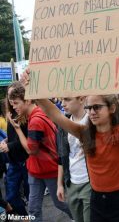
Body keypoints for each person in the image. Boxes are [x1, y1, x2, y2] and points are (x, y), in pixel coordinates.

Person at [22, 65, 119, 222]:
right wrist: (35, 91)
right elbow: (54, 114)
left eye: (97, 107)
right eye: (89, 107)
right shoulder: (84, 133)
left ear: (112, 108)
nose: (91, 112)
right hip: (97, 201)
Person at [7, 82, 73, 222]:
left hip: (48, 170)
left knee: (60, 203)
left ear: (28, 100)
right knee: (33, 208)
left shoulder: (36, 119)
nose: (14, 107)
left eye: (16, 103)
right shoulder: (39, 112)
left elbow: (31, 150)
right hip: (37, 170)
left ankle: (81, 217)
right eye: (12, 104)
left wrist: (17, 129)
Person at [56, 97, 91, 222]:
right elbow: (61, 156)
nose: (63, 104)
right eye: (61, 100)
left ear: (81, 99)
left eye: (67, 99)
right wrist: (60, 185)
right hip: (71, 182)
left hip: (90, 182)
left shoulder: (92, 120)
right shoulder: (63, 126)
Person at [0, 82, 29, 216]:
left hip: (26, 160)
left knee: (32, 196)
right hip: (14, 161)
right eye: (9, 96)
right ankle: (26, 217)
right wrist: (7, 141)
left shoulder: (25, 112)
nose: (11, 101)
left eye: (14, 98)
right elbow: (13, 135)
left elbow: (27, 140)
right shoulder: (11, 111)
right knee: (11, 196)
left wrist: (9, 145)